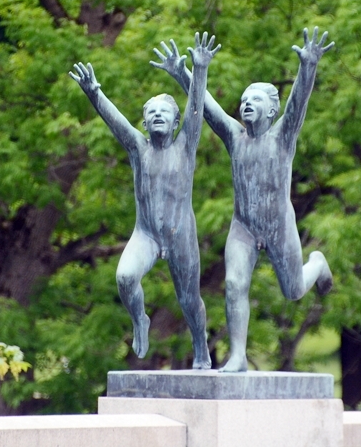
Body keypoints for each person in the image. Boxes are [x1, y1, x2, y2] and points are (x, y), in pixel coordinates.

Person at [153, 27, 334, 372]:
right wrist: (182, 72)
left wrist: (308, 66)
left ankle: (318, 263)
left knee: (294, 289)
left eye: (256, 101)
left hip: (279, 225)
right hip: (244, 229)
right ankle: (238, 356)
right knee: (234, 284)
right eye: (244, 101)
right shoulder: (235, 138)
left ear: (271, 110)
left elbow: (298, 103)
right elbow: (206, 108)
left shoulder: (282, 137)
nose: (247, 104)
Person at [70, 32, 220, 368]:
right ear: (144, 122)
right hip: (147, 235)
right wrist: (95, 93)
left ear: (176, 121)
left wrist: (199, 69)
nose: (156, 116)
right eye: (150, 113)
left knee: (189, 299)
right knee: (124, 277)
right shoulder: (139, 148)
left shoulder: (186, 145)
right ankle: (140, 319)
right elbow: (116, 122)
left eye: (163, 113)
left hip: (181, 235)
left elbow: (197, 109)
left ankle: (200, 347)